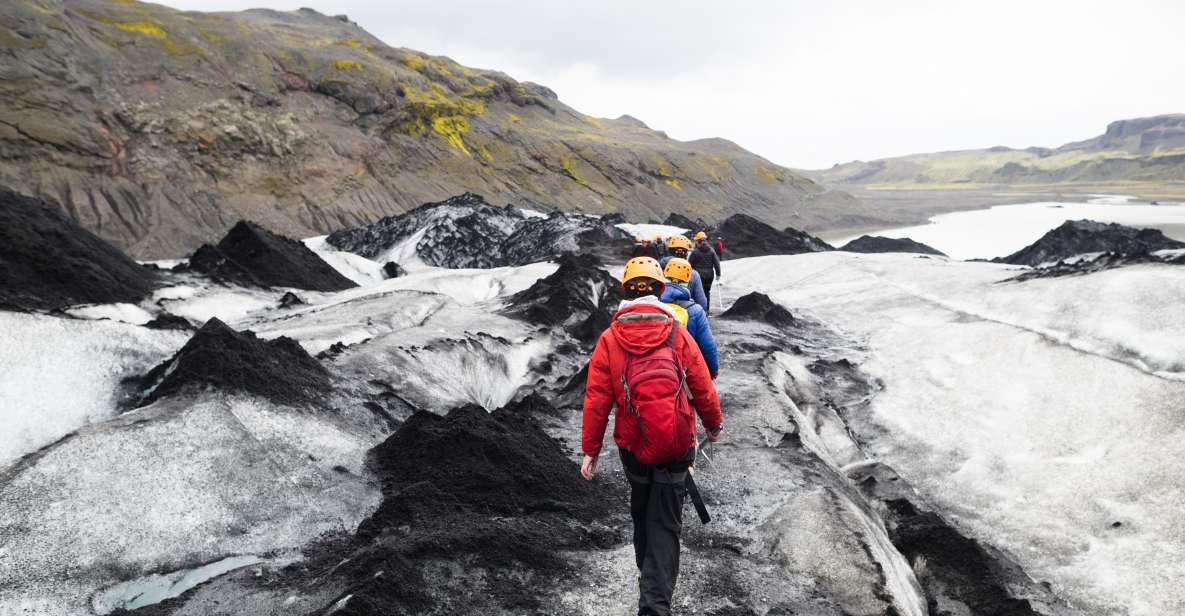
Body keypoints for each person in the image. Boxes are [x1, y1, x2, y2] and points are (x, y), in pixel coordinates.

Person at [581, 256, 723, 616]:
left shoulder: (610, 338)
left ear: (626, 291)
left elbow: (597, 400)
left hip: (633, 447)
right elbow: (702, 383)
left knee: (642, 511)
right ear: (660, 290)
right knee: (665, 522)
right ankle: (655, 603)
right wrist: (712, 424)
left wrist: (590, 450)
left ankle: (648, 579)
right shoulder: (677, 332)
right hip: (676, 443)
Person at [661, 258, 718, 379]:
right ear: (687, 282)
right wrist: (713, 371)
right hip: (683, 371)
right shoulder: (696, 311)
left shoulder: (653, 304)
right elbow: (707, 346)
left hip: (655, 368)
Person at [659, 235, 708, 313]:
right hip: (686, 316)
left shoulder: (658, 269)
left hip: (662, 316)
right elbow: (702, 303)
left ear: (669, 250)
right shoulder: (694, 274)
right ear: (686, 253)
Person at [689, 231, 721, 311]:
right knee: (707, 292)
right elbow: (716, 263)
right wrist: (718, 274)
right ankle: (706, 310)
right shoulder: (711, 250)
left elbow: (689, 265)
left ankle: (699, 311)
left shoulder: (695, 252)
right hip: (710, 275)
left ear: (699, 241)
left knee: (697, 294)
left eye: (696, 241)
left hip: (698, 276)